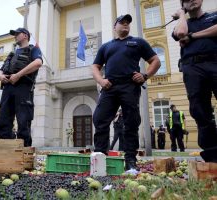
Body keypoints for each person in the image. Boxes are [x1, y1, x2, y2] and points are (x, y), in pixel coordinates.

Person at [92, 14, 161, 170]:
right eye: (122, 22)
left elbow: (155, 61)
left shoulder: (138, 42)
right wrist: (101, 81)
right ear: (114, 26)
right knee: (100, 119)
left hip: (130, 86)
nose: (125, 25)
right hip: (109, 87)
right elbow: (95, 66)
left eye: (127, 23)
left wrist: (145, 75)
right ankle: (100, 158)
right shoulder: (106, 46)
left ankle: (130, 160)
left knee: (131, 123)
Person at [172, 0, 217, 162]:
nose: (192, 0)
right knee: (199, 109)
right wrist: (182, 14)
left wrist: (194, 36)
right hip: (192, 66)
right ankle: (212, 155)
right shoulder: (183, 23)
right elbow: (180, 34)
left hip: (214, 61)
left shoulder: (213, 16)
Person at [0, 27, 43, 147]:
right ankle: (7, 148)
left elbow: (38, 63)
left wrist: (18, 75)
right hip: (8, 89)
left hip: (23, 89)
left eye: (17, 34)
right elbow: (0, 70)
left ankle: (24, 153)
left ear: (25, 35)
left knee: (23, 123)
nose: (15, 36)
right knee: (3, 122)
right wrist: (0, 76)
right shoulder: (12, 54)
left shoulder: (33, 49)